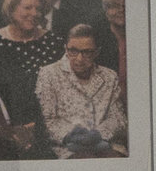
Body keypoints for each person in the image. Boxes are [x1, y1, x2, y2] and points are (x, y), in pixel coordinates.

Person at [0, 0, 61, 152]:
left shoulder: (53, 41)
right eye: (27, 8)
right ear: (11, 9)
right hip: (7, 129)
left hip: (48, 126)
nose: (34, 13)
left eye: (38, 9)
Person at [34, 24, 126, 159]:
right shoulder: (49, 74)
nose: (79, 59)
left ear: (97, 52)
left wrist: (99, 135)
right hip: (67, 148)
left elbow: (118, 118)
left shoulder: (109, 76)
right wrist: (71, 136)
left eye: (87, 52)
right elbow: (47, 120)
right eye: (73, 51)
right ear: (65, 48)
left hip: (106, 144)